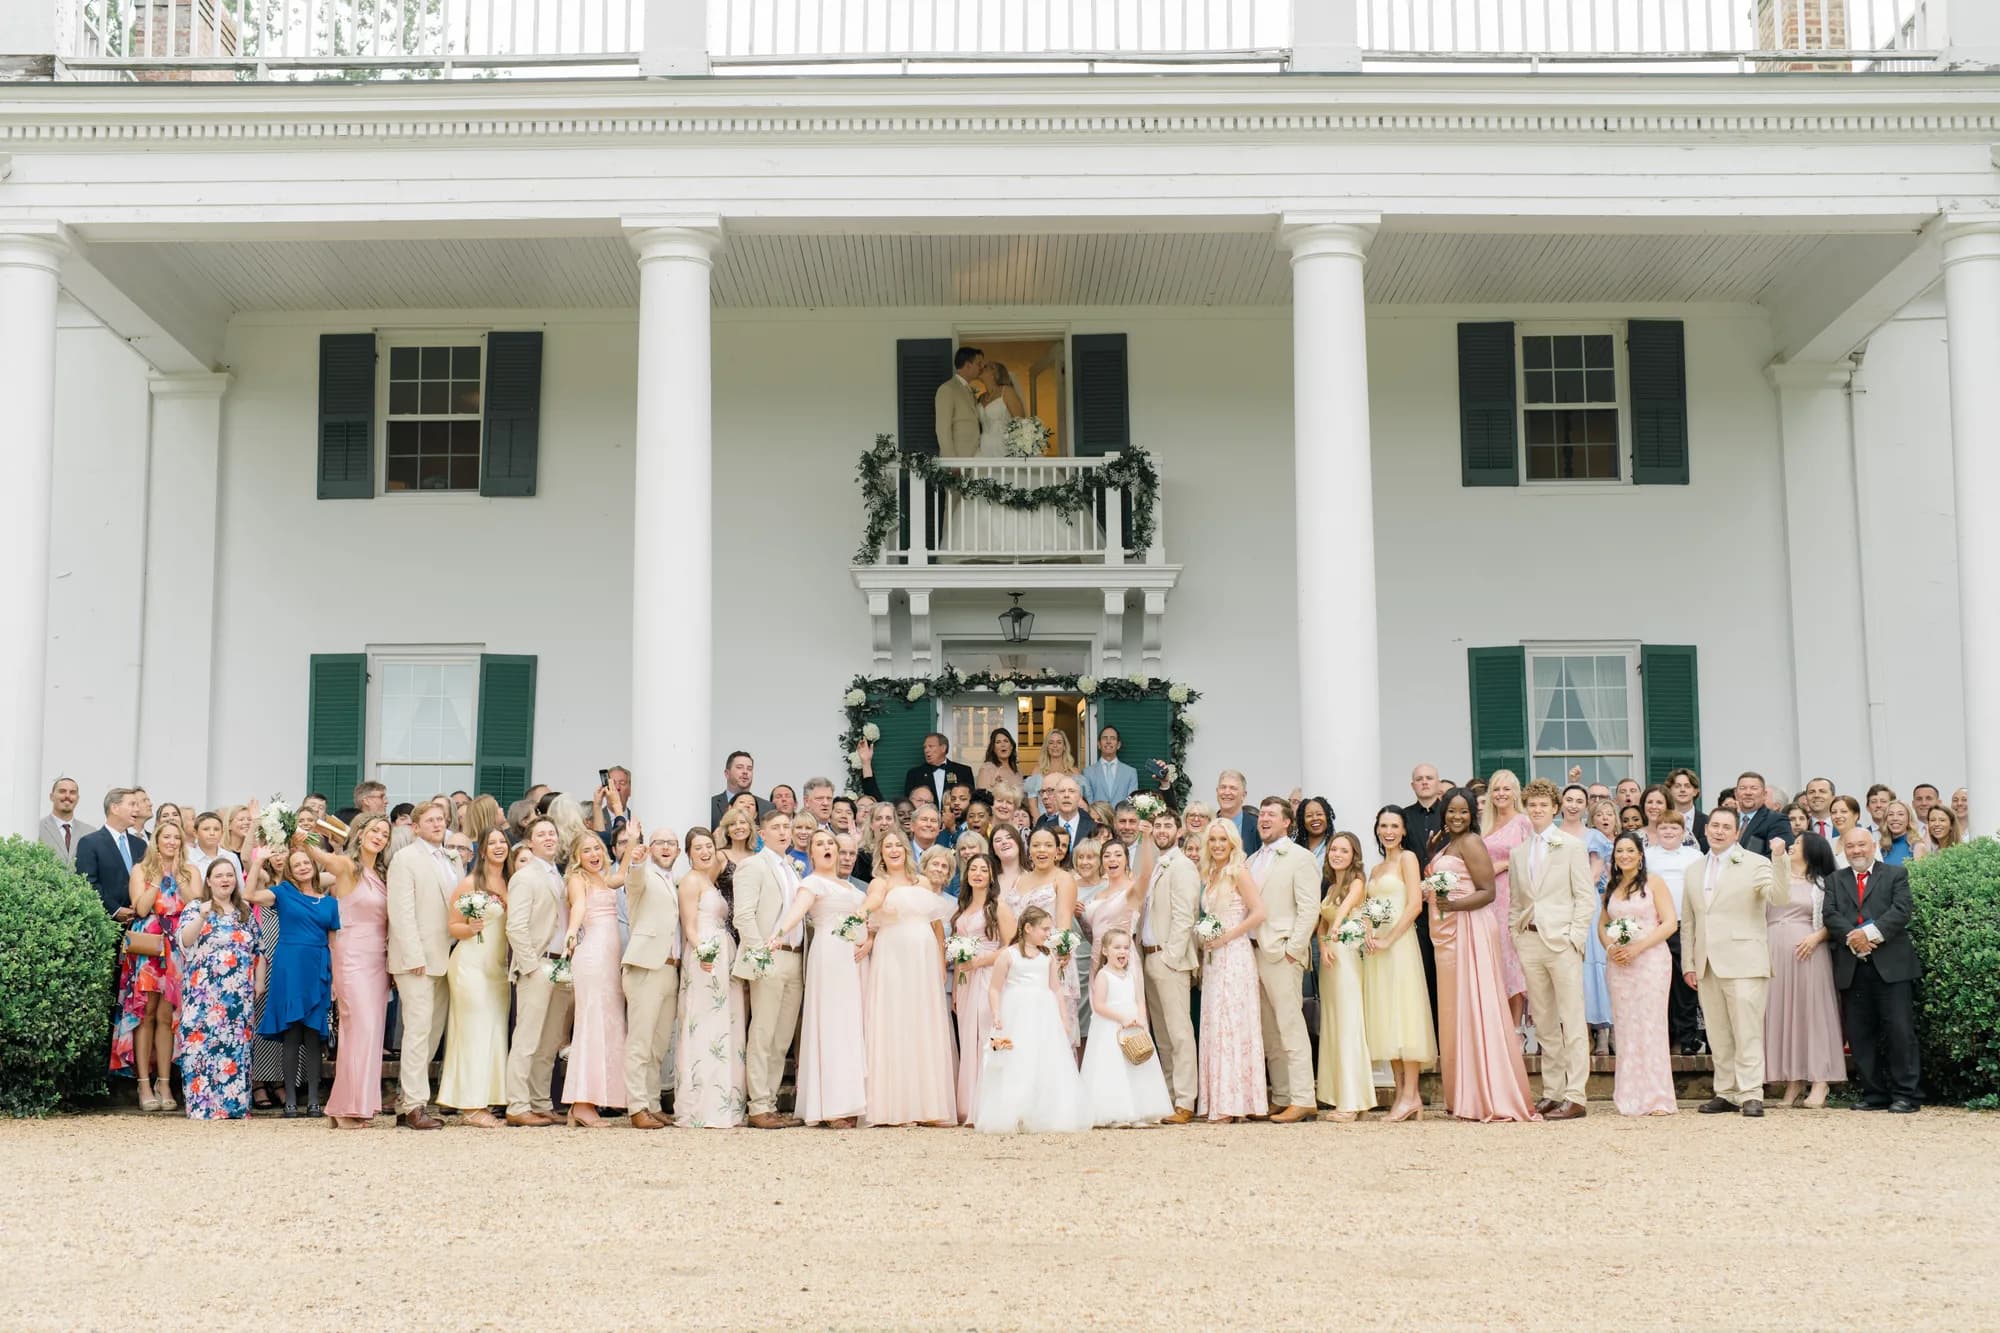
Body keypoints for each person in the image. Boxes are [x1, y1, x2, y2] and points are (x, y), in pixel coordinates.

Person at [1424, 787, 1537, 1122]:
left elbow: (1487, 892)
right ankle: (1464, 1092)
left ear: (1472, 814)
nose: (1457, 817)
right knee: (1457, 1008)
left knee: (1476, 1004)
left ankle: (1488, 1092)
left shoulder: (1472, 842)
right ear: (1443, 812)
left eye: (1463, 812)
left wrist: (1453, 904)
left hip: (1470, 927)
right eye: (1451, 811)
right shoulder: (1446, 843)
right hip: (1449, 933)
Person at [1680, 808, 1785, 1117]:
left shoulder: (1756, 863)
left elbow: (1778, 898)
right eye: (1715, 825)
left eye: (1727, 827)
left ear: (1737, 833)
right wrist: (1689, 962)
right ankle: (1725, 1091)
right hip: (1707, 963)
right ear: (1706, 828)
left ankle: (1751, 1093)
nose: (1719, 831)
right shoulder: (1694, 869)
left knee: (1747, 1030)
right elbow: (1689, 921)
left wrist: (1780, 859)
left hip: (1745, 961)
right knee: (1718, 1032)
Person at [762, 828, 868, 1128]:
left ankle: (850, 1101)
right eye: (819, 844)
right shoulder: (811, 883)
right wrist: (777, 935)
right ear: (811, 854)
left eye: (830, 844)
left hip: (854, 960)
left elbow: (868, 919)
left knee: (850, 1025)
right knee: (831, 1025)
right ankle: (830, 1105)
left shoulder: (849, 887)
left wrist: (867, 941)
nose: (826, 848)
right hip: (829, 955)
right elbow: (795, 913)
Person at [1505, 778, 1597, 1120]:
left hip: (1562, 942)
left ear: (1555, 808)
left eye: (1544, 805)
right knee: (1543, 1021)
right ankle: (1553, 1090)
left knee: (1571, 1019)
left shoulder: (1571, 846)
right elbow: (1516, 900)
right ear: (1526, 810)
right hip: (1529, 942)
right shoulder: (1519, 852)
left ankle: (1576, 1095)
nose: (1538, 810)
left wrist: (1575, 937)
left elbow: (1585, 897)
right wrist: (1516, 934)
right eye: (1532, 805)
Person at [858, 830, 957, 1126]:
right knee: (895, 1020)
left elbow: (937, 926)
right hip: (893, 955)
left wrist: (940, 962)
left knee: (922, 1021)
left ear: (906, 849)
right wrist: (860, 912)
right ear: (881, 853)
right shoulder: (880, 883)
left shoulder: (923, 882)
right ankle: (895, 1107)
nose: (893, 850)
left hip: (924, 955)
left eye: (898, 845)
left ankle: (928, 1106)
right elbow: (874, 906)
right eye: (887, 846)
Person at [301, 813, 394, 1129]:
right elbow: (315, 853)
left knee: (371, 1033)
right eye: (374, 830)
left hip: (378, 962)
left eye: (384, 833)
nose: (379, 836)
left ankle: (359, 1105)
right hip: (351, 956)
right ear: (360, 833)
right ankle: (342, 1106)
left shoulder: (380, 874)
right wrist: (305, 833)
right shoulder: (346, 866)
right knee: (358, 1030)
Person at [1825, 826, 1922, 1113]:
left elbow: (1901, 910)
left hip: (1891, 966)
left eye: (1862, 845)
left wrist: (1869, 934)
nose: (1857, 851)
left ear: (1873, 845)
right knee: (1860, 1034)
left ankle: (1907, 1094)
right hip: (1852, 966)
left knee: (1900, 1032)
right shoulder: (1834, 879)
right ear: (1845, 850)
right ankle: (1874, 1094)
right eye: (1851, 846)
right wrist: (1854, 939)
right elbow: (1830, 914)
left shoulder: (1895, 875)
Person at [975, 906, 1090, 1133]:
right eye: (1045, 929)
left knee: (1044, 1057)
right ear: (1028, 928)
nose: (1049, 934)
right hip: (1016, 1011)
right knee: (1018, 1058)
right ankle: (1014, 1111)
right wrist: (997, 1013)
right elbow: (995, 988)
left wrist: (1064, 1018)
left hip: (1043, 1013)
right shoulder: (1009, 955)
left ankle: (1044, 1111)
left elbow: (1056, 989)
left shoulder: (1048, 956)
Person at [173, 858, 267, 1120]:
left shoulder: (244, 910)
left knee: (235, 1048)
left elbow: (259, 949)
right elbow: (185, 941)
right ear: (209, 880)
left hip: (238, 997)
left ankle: (234, 1106)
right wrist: (202, 916)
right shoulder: (196, 907)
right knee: (202, 1048)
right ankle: (204, 1106)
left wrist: (259, 982)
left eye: (230, 875)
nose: (225, 880)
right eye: (219, 875)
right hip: (204, 994)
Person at [1244, 797, 1319, 1122]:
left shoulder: (1300, 858)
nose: (1264, 819)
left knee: (1290, 1025)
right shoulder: (1251, 860)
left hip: (1282, 952)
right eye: (1262, 814)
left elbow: (1309, 907)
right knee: (1269, 1030)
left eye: (1272, 814)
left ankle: (1304, 1098)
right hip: (1254, 952)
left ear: (1287, 822)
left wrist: (1294, 949)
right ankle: (1283, 1095)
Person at [385, 801, 458, 1130]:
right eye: (429, 820)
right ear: (415, 827)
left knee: (432, 1033)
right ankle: (415, 1105)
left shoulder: (450, 858)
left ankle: (407, 1100)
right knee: (417, 1031)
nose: (437, 824)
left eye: (441, 819)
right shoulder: (405, 859)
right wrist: (413, 955)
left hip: (445, 957)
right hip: (416, 959)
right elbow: (401, 911)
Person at [256, 844, 343, 1117]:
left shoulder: (330, 902)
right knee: (292, 1033)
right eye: (297, 865)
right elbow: (248, 894)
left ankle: (315, 1099)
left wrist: (336, 982)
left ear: (314, 866)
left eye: (307, 862)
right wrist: (258, 863)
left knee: (314, 1036)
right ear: (290, 872)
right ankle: (291, 1100)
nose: (303, 867)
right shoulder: (283, 894)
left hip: (317, 967)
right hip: (289, 966)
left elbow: (334, 945)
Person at [733, 807, 806, 1129]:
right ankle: (758, 1105)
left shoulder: (793, 869)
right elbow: (744, 916)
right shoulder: (753, 866)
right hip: (770, 956)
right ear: (761, 834)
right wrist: (759, 953)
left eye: (786, 826)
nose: (783, 831)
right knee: (763, 1032)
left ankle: (771, 1102)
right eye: (775, 827)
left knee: (781, 1037)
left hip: (796, 957)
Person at [1361, 807, 1434, 1122]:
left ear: (1403, 831)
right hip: (1377, 950)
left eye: (1394, 826)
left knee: (1405, 1015)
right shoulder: (1376, 869)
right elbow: (1369, 907)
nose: (1388, 831)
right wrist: (1367, 931)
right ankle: (1405, 1095)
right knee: (1387, 1017)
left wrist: (1390, 938)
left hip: (1400, 946)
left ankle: (1410, 1094)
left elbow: (1415, 904)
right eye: (1383, 826)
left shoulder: (1407, 859)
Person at [1764, 832, 1846, 1110]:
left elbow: (1834, 918)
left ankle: (1821, 1079)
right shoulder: (1776, 877)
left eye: (1797, 843)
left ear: (1811, 850)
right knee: (1785, 1015)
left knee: (1813, 1013)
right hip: (1775, 952)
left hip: (1809, 952)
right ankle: (1793, 1080)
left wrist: (1817, 937)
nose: (1791, 845)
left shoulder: (1822, 884)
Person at [435, 828, 511, 1127]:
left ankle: (487, 1098)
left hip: (498, 969)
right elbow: (453, 925)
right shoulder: (470, 882)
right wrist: (472, 928)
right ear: (482, 850)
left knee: (493, 1032)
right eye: (492, 842)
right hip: (470, 965)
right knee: (473, 1032)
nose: (498, 846)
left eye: (503, 842)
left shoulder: (511, 882)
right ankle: (470, 1105)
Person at [1598, 832, 1678, 1117]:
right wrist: (1611, 948)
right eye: (1619, 851)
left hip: (1651, 961)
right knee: (1626, 1026)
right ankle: (1630, 1095)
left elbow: (1669, 923)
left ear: (1640, 855)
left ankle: (1658, 1097)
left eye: (1630, 850)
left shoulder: (1654, 883)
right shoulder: (1612, 885)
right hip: (1620, 965)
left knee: (1651, 1024)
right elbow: (1602, 924)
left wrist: (1639, 948)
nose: (1624, 856)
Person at [114, 816, 190, 1110]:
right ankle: (143, 1084)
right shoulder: (141, 870)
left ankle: (165, 1082)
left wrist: (179, 876)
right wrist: (157, 878)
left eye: (176, 838)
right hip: (147, 948)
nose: (171, 842)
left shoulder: (188, 871)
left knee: (166, 1017)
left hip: (176, 949)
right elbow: (142, 907)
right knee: (144, 1014)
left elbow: (194, 902)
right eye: (166, 837)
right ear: (156, 842)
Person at [1195, 819, 1268, 1122]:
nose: (1217, 845)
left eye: (1222, 840)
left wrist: (1228, 935)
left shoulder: (1239, 871)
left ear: (1233, 843)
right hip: (1213, 957)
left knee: (1234, 1024)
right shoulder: (1209, 873)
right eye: (1212, 840)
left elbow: (1260, 912)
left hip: (1235, 954)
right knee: (1216, 1022)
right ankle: (1220, 1100)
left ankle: (1237, 1102)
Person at [499, 817, 569, 1127]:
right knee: (526, 1039)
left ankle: (541, 1101)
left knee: (549, 1040)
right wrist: (530, 967)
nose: (549, 838)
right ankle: (517, 1104)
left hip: (560, 964)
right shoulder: (525, 877)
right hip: (537, 964)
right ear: (530, 842)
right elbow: (516, 927)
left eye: (552, 833)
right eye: (542, 834)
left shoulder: (561, 876)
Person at [675, 828, 747, 1128]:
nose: (705, 852)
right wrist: (702, 952)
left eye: (708, 846)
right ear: (688, 852)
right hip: (704, 953)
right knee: (704, 1023)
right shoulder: (691, 881)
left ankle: (723, 1101)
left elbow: (722, 854)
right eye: (698, 847)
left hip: (724, 950)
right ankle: (700, 1105)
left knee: (724, 1024)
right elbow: (689, 925)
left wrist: (719, 837)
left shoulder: (710, 878)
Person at [1136, 807, 1199, 1123]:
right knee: (1161, 1034)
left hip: (1168, 958)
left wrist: (1172, 957)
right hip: (1147, 954)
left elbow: (1185, 915)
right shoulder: (1155, 864)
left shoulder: (1183, 866)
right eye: (1157, 825)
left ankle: (1186, 1100)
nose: (1161, 830)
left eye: (1167, 826)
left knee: (1179, 1031)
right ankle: (1171, 1097)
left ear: (1178, 831)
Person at [559, 832, 626, 1128]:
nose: (594, 854)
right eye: (587, 850)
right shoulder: (579, 880)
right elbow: (579, 908)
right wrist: (571, 934)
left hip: (609, 959)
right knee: (591, 1026)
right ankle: (583, 1102)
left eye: (597, 848)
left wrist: (634, 840)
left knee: (607, 1025)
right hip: (593, 957)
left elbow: (623, 874)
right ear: (577, 856)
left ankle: (586, 1102)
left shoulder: (603, 878)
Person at [618, 826, 683, 1130]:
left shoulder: (676, 882)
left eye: (672, 843)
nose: (666, 847)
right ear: (651, 847)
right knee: (640, 1041)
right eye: (660, 843)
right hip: (645, 966)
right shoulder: (643, 876)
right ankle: (636, 1106)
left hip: (671, 967)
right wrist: (636, 858)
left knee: (658, 1045)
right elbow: (633, 879)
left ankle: (653, 1102)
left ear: (679, 851)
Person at [1079, 928, 1172, 1127]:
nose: (1122, 952)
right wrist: (1121, 1018)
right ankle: (1115, 1113)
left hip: (1133, 1025)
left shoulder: (1131, 975)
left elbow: (1140, 1000)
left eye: (1126, 948)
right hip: (1111, 1027)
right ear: (1105, 951)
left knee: (1136, 1066)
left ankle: (1138, 1112)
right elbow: (1099, 1005)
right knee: (1113, 1069)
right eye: (1117, 948)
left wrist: (1141, 1020)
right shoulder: (1103, 975)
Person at [950, 851, 1016, 1123]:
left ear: (991, 877)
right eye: (973, 869)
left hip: (991, 975)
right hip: (966, 981)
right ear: (967, 875)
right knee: (968, 1039)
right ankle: (970, 1104)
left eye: (983, 870)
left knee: (988, 1036)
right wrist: (955, 987)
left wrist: (981, 961)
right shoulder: (961, 909)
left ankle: (993, 1103)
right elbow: (957, 953)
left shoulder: (997, 907)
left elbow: (1011, 945)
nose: (977, 873)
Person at [1313, 831, 1374, 1120]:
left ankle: (1351, 1101)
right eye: (1333, 849)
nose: (1337, 854)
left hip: (1348, 956)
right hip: (1330, 959)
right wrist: (1323, 945)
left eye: (1344, 850)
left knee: (1349, 1024)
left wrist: (1333, 933)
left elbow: (1341, 914)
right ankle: (1348, 1097)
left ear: (1354, 856)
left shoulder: (1357, 883)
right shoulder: (1329, 887)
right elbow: (1322, 924)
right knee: (1335, 1024)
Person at [1009, 826, 1082, 1044]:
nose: (1042, 850)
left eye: (1048, 845)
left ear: (1058, 850)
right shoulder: (1020, 880)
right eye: (1036, 845)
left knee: (1053, 1032)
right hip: (1020, 962)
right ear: (1028, 849)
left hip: (1051, 960)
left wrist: (1056, 955)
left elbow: (1063, 925)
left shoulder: (1064, 879)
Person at [1478, 770, 1532, 1034]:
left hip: (1513, 895)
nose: (1501, 794)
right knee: (1495, 959)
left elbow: (1532, 856)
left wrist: (1501, 864)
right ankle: (1498, 1029)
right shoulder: (1485, 825)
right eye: (1496, 789)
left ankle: (1516, 1029)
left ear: (1515, 792)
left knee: (1514, 959)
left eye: (1506, 789)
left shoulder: (1523, 822)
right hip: (1488, 899)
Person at [76, 787, 144, 920]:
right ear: (115, 808)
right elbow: (88, 883)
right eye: (132, 804)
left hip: (138, 923)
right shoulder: (89, 843)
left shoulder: (140, 845)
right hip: (105, 923)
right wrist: (115, 910)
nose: (137, 809)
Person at [936, 345, 985, 459]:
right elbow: (943, 430)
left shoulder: (969, 390)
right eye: (978, 364)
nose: (981, 367)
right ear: (968, 365)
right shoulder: (948, 389)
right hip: (958, 459)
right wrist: (952, 462)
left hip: (975, 458)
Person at [902, 733, 975, 809]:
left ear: (943, 748)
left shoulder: (963, 771)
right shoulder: (914, 774)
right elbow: (909, 804)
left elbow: (971, 800)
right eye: (925, 747)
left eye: (930, 746)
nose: (926, 750)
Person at [39, 776, 94, 867]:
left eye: (72, 793)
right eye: (62, 791)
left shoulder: (90, 832)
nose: (67, 796)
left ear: (77, 798)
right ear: (51, 797)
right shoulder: (37, 829)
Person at [975, 357, 1025, 456]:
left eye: (985, 367)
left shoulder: (1007, 391)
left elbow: (1020, 421)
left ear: (994, 373)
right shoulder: (981, 397)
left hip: (1003, 446)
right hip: (984, 446)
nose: (981, 368)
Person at [709, 751, 773, 828]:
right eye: (739, 767)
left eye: (749, 769)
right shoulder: (710, 805)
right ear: (727, 773)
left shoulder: (768, 807)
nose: (745, 772)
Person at [1731, 772, 1789, 857]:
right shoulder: (1728, 818)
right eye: (1743, 788)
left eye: (1754, 788)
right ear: (1736, 794)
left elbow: (1778, 856)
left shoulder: (1777, 820)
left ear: (1764, 794)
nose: (1748, 792)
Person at [1081, 724, 1139, 806]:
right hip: (1097, 818)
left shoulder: (1130, 772)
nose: (1108, 741)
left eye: (1113, 738)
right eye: (1105, 738)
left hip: (1122, 818)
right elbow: (1088, 802)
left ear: (1118, 745)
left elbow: (1132, 802)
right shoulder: (1087, 772)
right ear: (1099, 744)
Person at [1023, 729, 1077, 817]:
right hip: (1044, 822)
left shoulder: (1073, 771)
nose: (1055, 746)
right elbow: (1033, 805)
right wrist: (1040, 825)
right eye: (1051, 743)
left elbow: (1078, 802)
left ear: (1064, 747)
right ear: (1047, 747)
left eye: (1059, 742)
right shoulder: (1037, 771)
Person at [1034, 774, 1098, 847]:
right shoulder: (1045, 829)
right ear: (1055, 797)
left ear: (1079, 797)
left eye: (1071, 791)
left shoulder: (1093, 828)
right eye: (1062, 791)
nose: (1066, 795)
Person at [1214, 770, 1260, 855]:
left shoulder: (1257, 826)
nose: (1227, 792)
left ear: (1243, 795)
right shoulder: (1208, 824)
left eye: (1233, 788)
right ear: (1217, 792)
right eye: (1223, 787)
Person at [1667, 767, 1709, 851]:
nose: (1682, 790)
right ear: (1670, 790)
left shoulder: (1707, 821)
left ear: (1695, 791)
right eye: (1677, 786)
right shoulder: (1662, 820)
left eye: (1687, 786)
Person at [976, 727, 1023, 795]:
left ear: (1011, 746)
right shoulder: (987, 769)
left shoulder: (1018, 771)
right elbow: (981, 800)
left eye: (1006, 741)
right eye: (998, 742)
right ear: (993, 748)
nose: (1003, 745)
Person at [1877, 801, 1920, 866]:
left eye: (1900, 814)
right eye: (1891, 814)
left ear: (1909, 819)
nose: (1895, 818)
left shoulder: (1917, 847)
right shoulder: (1881, 847)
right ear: (1886, 819)